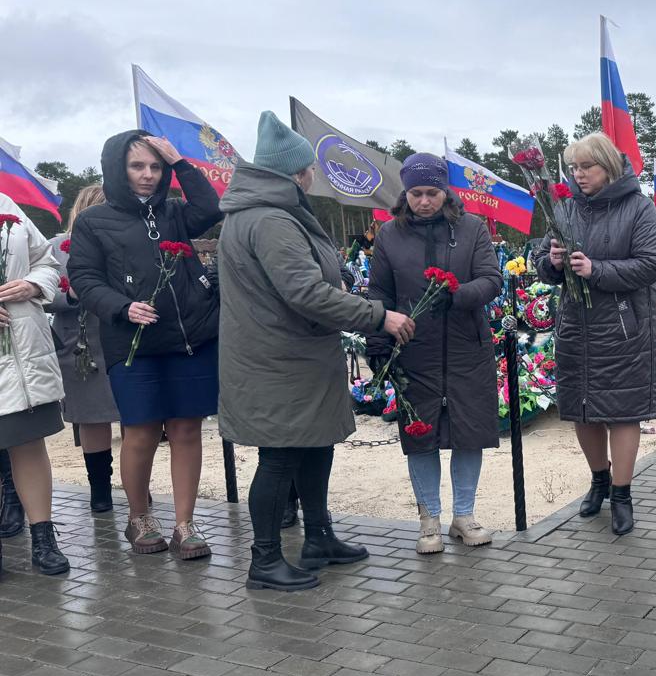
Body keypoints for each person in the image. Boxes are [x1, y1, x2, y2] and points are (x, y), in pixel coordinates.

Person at [217, 111, 415, 591]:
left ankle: (319, 537)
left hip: (294, 356)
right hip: (279, 360)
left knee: (314, 446)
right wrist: (377, 316)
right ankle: (265, 559)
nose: (312, 176)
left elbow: (304, 280)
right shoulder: (271, 219)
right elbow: (303, 292)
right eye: (309, 169)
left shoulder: (268, 214)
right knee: (280, 458)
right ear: (296, 173)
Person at [67, 133, 221, 560]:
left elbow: (210, 208)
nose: (148, 175)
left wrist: (180, 162)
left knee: (187, 429)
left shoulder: (174, 212)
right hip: (133, 342)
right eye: (137, 166)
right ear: (117, 169)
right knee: (141, 430)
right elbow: (84, 278)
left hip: (190, 338)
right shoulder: (93, 221)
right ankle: (140, 517)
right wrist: (122, 307)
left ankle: (185, 524)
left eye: (156, 167)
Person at [366, 153, 502, 554]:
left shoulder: (471, 228)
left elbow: (491, 279)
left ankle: (464, 516)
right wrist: (378, 341)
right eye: (416, 194)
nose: (424, 201)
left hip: (466, 347)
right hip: (414, 350)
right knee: (419, 434)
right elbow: (380, 291)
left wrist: (457, 295)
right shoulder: (389, 235)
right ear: (405, 194)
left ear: (445, 192)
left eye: (432, 193)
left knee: (469, 433)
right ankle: (429, 519)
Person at [532, 133, 656, 536]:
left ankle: (622, 494)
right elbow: (541, 261)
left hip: (622, 329)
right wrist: (552, 262)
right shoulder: (565, 208)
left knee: (622, 412)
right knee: (582, 408)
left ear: (607, 167)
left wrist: (597, 270)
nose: (578, 174)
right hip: (576, 327)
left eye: (586, 167)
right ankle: (599, 480)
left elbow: (653, 263)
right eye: (574, 167)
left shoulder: (639, 208)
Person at [0, 195, 70, 575]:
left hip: (23, 351)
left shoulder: (5, 204)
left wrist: (32, 285)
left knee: (27, 443)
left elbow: (46, 260)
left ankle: (43, 539)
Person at [50, 185, 120, 514]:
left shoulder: (122, 239)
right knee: (92, 419)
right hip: (80, 345)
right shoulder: (55, 248)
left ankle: (138, 485)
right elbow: (41, 294)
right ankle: (100, 490)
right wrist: (70, 296)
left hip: (120, 336)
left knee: (136, 418)